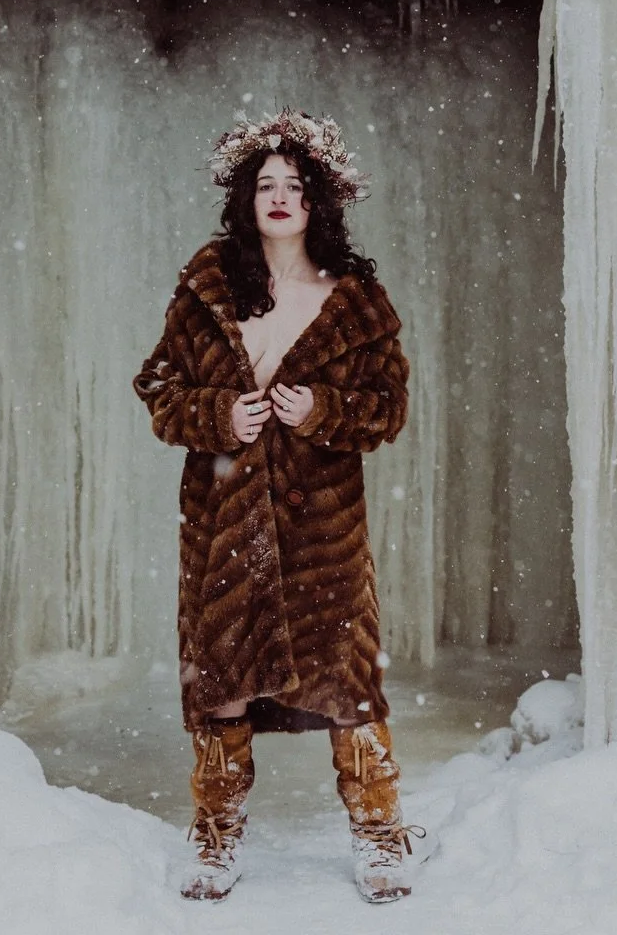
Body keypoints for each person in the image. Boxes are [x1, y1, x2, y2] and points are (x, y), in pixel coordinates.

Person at [133, 108, 420, 904]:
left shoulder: (355, 302)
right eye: (266, 185)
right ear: (245, 200)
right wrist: (219, 415)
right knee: (222, 676)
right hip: (226, 525)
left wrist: (320, 410)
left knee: (347, 679)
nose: (281, 197)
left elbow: (387, 408)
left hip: (320, 531)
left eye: (296, 185)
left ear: (319, 201)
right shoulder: (208, 289)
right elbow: (158, 389)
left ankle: (382, 833)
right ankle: (216, 837)